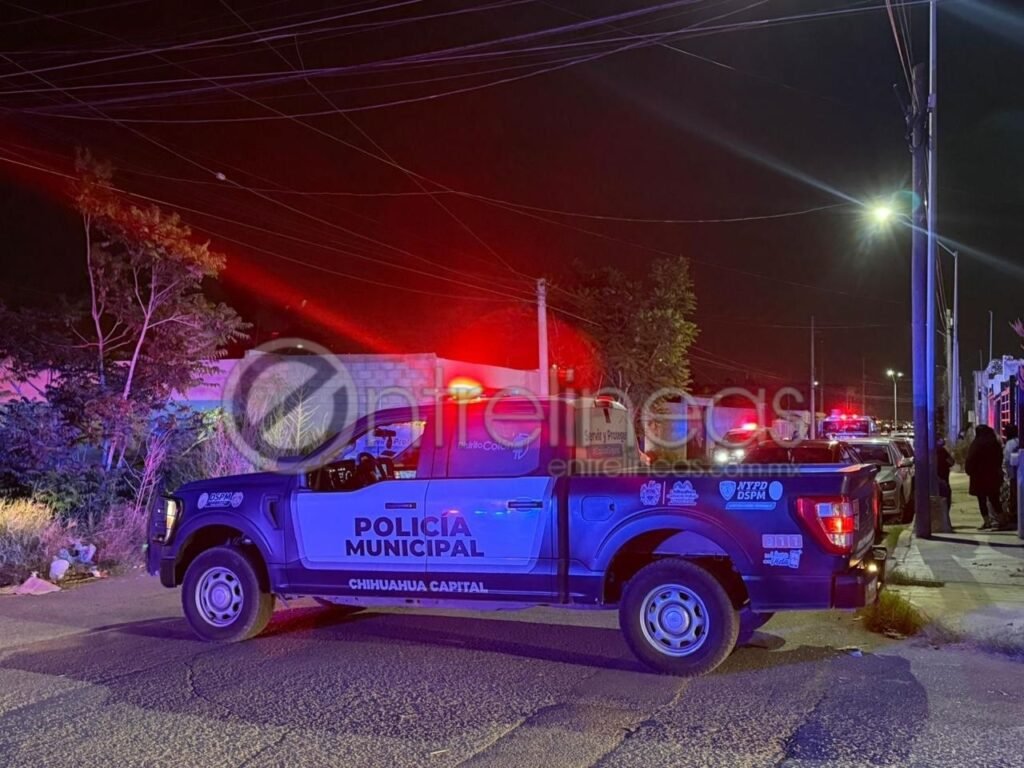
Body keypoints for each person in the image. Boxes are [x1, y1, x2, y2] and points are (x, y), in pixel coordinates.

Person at [965, 425, 1004, 530]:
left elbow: (970, 459)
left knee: (981, 500)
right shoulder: (994, 444)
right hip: (992, 475)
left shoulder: (976, 444)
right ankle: (1001, 520)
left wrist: (969, 471)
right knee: (994, 499)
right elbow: (1000, 458)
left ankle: (987, 522)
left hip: (979, 477)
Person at [1002, 424, 1019, 531]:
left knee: (1013, 497)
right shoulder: (1018, 441)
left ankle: (1014, 518)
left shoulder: (1010, 444)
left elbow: (1007, 461)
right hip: (1017, 473)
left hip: (1013, 475)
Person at [936, 437, 954, 512]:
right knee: (945, 499)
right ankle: (944, 514)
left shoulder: (925, 451)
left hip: (929, 483)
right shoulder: (942, 451)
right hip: (943, 479)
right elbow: (951, 462)